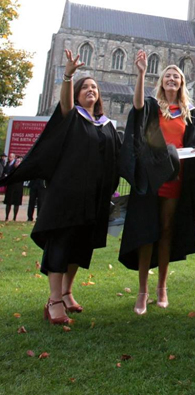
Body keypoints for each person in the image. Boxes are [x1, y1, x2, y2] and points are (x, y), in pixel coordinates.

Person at [0, 49, 120, 323]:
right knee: (61, 242)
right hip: (66, 194)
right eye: (85, 87)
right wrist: (68, 75)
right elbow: (64, 105)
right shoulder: (72, 116)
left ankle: (67, 292)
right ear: (77, 94)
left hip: (92, 197)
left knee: (80, 244)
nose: (91, 90)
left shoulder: (106, 125)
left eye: (94, 88)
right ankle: (53, 300)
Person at [119, 52, 195, 315]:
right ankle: (143, 292)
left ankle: (162, 288)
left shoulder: (189, 112)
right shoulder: (151, 106)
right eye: (167, 76)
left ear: (181, 83)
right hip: (151, 178)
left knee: (167, 230)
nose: (171, 79)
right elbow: (135, 108)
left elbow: (194, 140)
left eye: (176, 77)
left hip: (175, 178)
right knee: (147, 232)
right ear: (162, 81)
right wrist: (141, 73)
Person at [3, 153, 23, 221]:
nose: (18, 162)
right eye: (17, 161)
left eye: (19, 161)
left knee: (16, 203)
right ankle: (6, 217)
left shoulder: (22, 168)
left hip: (18, 187)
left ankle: (14, 218)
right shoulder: (9, 165)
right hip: (11, 186)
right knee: (8, 202)